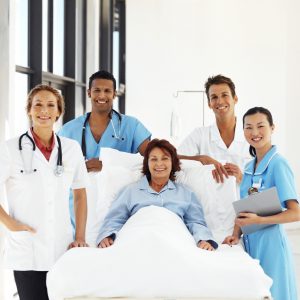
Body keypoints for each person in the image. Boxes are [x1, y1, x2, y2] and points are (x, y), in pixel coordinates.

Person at [0, 85, 89, 300]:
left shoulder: (71, 149)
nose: (44, 110)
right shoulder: (10, 149)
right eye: (37, 104)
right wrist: (9, 223)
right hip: (27, 248)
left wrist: (79, 237)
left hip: (63, 247)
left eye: (51, 105)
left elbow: (80, 194)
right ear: (29, 110)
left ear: (58, 112)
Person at [58, 70, 151, 244]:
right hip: (77, 214)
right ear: (89, 93)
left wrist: (107, 165)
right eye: (97, 90)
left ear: (114, 94)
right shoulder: (69, 130)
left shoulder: (131, 125)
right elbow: (57, 169)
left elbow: (154, 160)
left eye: (107, 91)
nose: (102, 95)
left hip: (117, 210)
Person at [223, 107, 300, 300]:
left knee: (275, 295)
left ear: (272, 128)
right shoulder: (249, 168)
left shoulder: (278, 164)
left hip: (272, 246)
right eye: (249, 127)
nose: (255, 133)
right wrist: (235, 235)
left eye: (260, 126)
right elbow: (245, 208)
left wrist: (258, 219)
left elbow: (296, 212)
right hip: (250, 245)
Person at [97, 139, 218, 251]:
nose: (159, 164)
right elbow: (115, 219)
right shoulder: (130, 191)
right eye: (154, 159)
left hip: (174, 245)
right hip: (137, 244)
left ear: (173, 162)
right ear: (147, 163)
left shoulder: (186, 193)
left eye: (165, 158)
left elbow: (196, 222)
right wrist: (107, 236)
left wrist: (204, 240)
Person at [178, 75, 250, 183]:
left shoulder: (251, 135)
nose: (220, 101)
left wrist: (241, 178)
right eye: (214, 97)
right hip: (209, 200)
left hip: (243, 199)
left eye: (224, 95)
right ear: (209, 104)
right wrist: (202, 159)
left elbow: (264, 183)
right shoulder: (200, 135)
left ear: (235, 99)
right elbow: (173, 159)